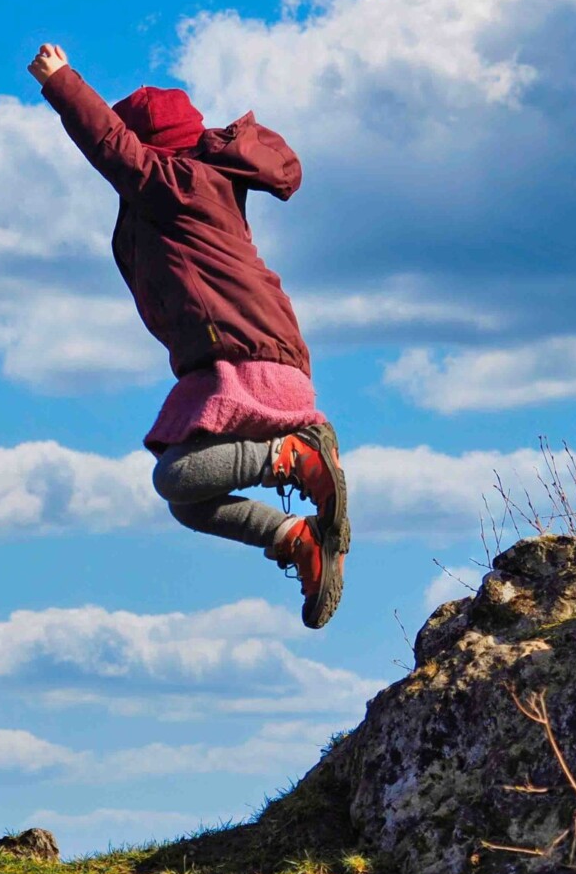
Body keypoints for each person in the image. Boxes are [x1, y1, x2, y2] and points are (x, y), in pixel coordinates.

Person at [29, 42, 348, 628]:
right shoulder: (181, 192)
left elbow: (114, 150)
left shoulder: (180, 181)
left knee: (175, 476)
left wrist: (63, 82)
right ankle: (295, 538)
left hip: (247, 352)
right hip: (232, 355)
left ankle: (294, 454)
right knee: (186, 501)